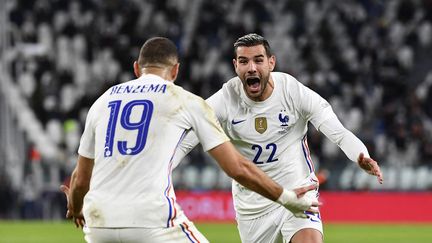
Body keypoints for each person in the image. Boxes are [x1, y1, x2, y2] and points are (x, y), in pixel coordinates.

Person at [61, 37, 321, 243]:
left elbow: (80, 179)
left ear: (137, 68)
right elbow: (237, 168)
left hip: (98, 224)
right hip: (152, 220)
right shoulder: (185, 101)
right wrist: (286, 197)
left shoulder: (103, 101)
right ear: (175, 70)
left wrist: (75, 207)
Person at [174, 33, 384, 243]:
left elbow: (338, 132)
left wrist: (360, 154)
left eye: (258, 60)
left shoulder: (293, 92)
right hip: (252, 205)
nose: (252, 68)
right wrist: (160, 171)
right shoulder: (226, 99)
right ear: (235, 66)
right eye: (244, 61)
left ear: (271, 62)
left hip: (298, 189)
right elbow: (187, 140)